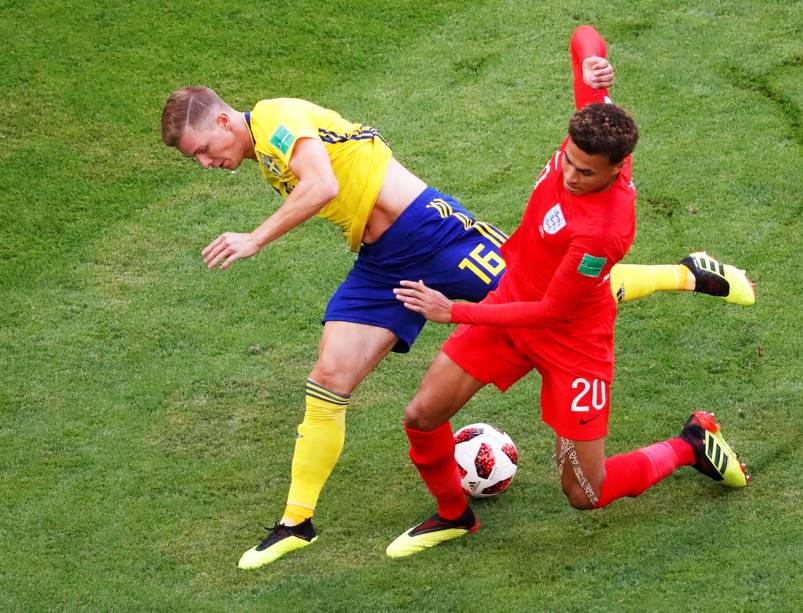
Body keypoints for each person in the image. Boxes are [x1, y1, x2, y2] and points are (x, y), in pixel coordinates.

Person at [160, 66, 753, 567]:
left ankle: (686, 278)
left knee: (564, 302)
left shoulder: (272, 118)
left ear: (220, 120)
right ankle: (301, 523)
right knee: (340, 381)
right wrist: (594, 68)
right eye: (199, 162)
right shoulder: (265, 144)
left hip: (438, 237)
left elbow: (318, 185)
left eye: (205, 151)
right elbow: (589, 78)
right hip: (381, 261)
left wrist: (255, 239)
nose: (208, 164)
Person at [386, 25, 749, 558]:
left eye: (585, 173)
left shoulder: (605, 229)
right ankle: (453, 516)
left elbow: (553, 309)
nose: (572, 175)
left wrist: (452, 311)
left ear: (616, 167)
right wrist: (593, 63)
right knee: (421, 415)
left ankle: (690, 445)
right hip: (512, 301)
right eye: (569, 162)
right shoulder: (591, 131)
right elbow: (584, 35)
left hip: (571, 339)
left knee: (586, 491)